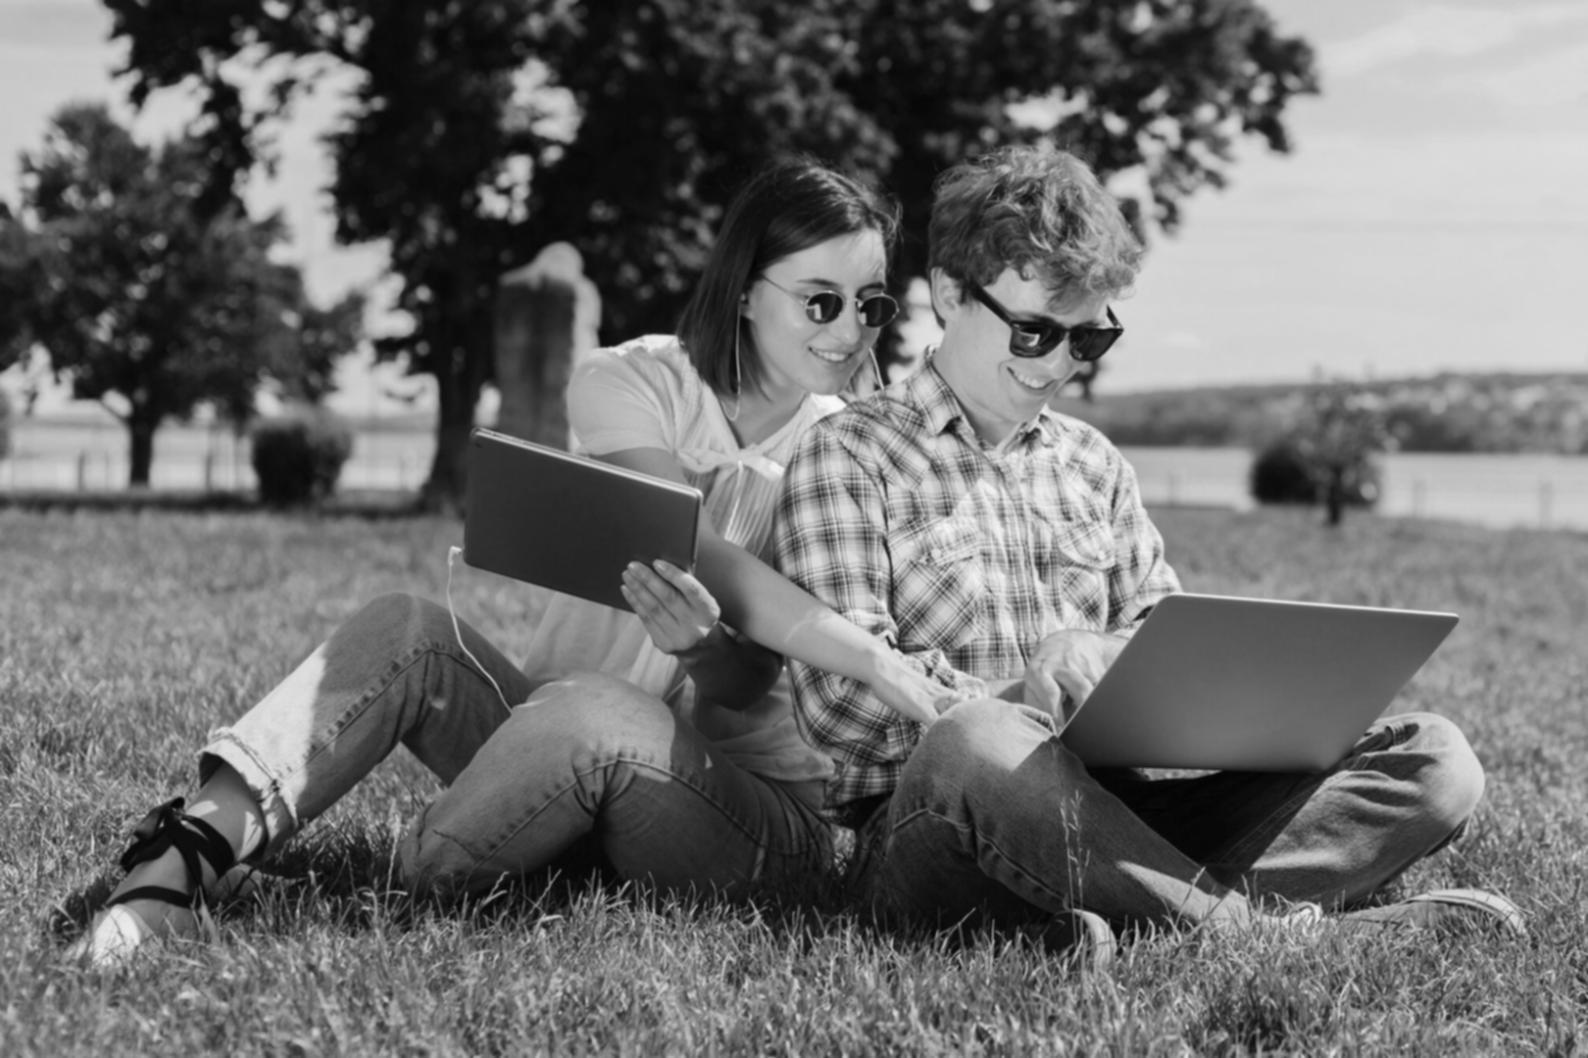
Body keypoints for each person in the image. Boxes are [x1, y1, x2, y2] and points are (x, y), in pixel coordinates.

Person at [70, 157, 945, 969]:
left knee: (598, 713)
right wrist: (849, 653)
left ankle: (428, 872)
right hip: (549, 732)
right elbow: (693, 546)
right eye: (820, 302)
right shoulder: (631, 382)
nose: (848, 331)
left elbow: (749, 687)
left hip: (738, 810)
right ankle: (182, 863)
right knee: (409, 626)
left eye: (871, 305)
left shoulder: (848, 451)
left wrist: (704, 651)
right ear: (747, 293)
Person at [772, 144, 1524, 963]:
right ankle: (1257, 936)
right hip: (938, 822)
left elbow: (1158, 632)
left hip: (1124, 811)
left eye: (1086, 341)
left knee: (1435, 758)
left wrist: (1160, 676)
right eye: (1033, 331)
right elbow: (839, 710)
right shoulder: (848, 453)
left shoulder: (1092, 463)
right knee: (975, 741)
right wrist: (1032, 692)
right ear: (951, 294)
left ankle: (1111, 915)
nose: (1058, 364)